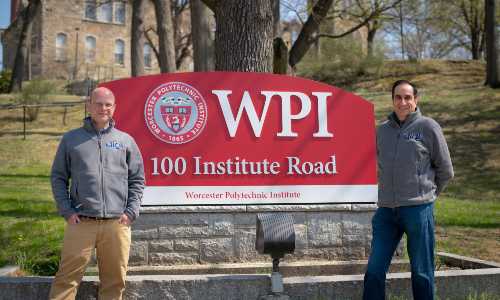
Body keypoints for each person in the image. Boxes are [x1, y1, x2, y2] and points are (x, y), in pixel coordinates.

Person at [49, 87, 145, 300]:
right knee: (66, 279)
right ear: (89, 105)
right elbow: (58, 177)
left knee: (114, 281)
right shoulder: (71, 140)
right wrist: (66, 210)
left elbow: (137, 179)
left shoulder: (125, 140)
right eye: (98, 103)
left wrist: (130, 212)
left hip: (116, 224)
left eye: (108, 104)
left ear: (114, 107)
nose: (103, 108)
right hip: (81, 222)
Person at [363, 80, 454, 300]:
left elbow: (446, 170)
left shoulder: (428, 127)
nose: (402, 102)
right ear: (392, 100)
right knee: (374, 271)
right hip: (386, 212)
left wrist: (427, 197)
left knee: (422, 272)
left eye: (407, 97)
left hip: (418, 210)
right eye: (398, 97)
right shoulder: (382, 131)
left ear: (415, 100)